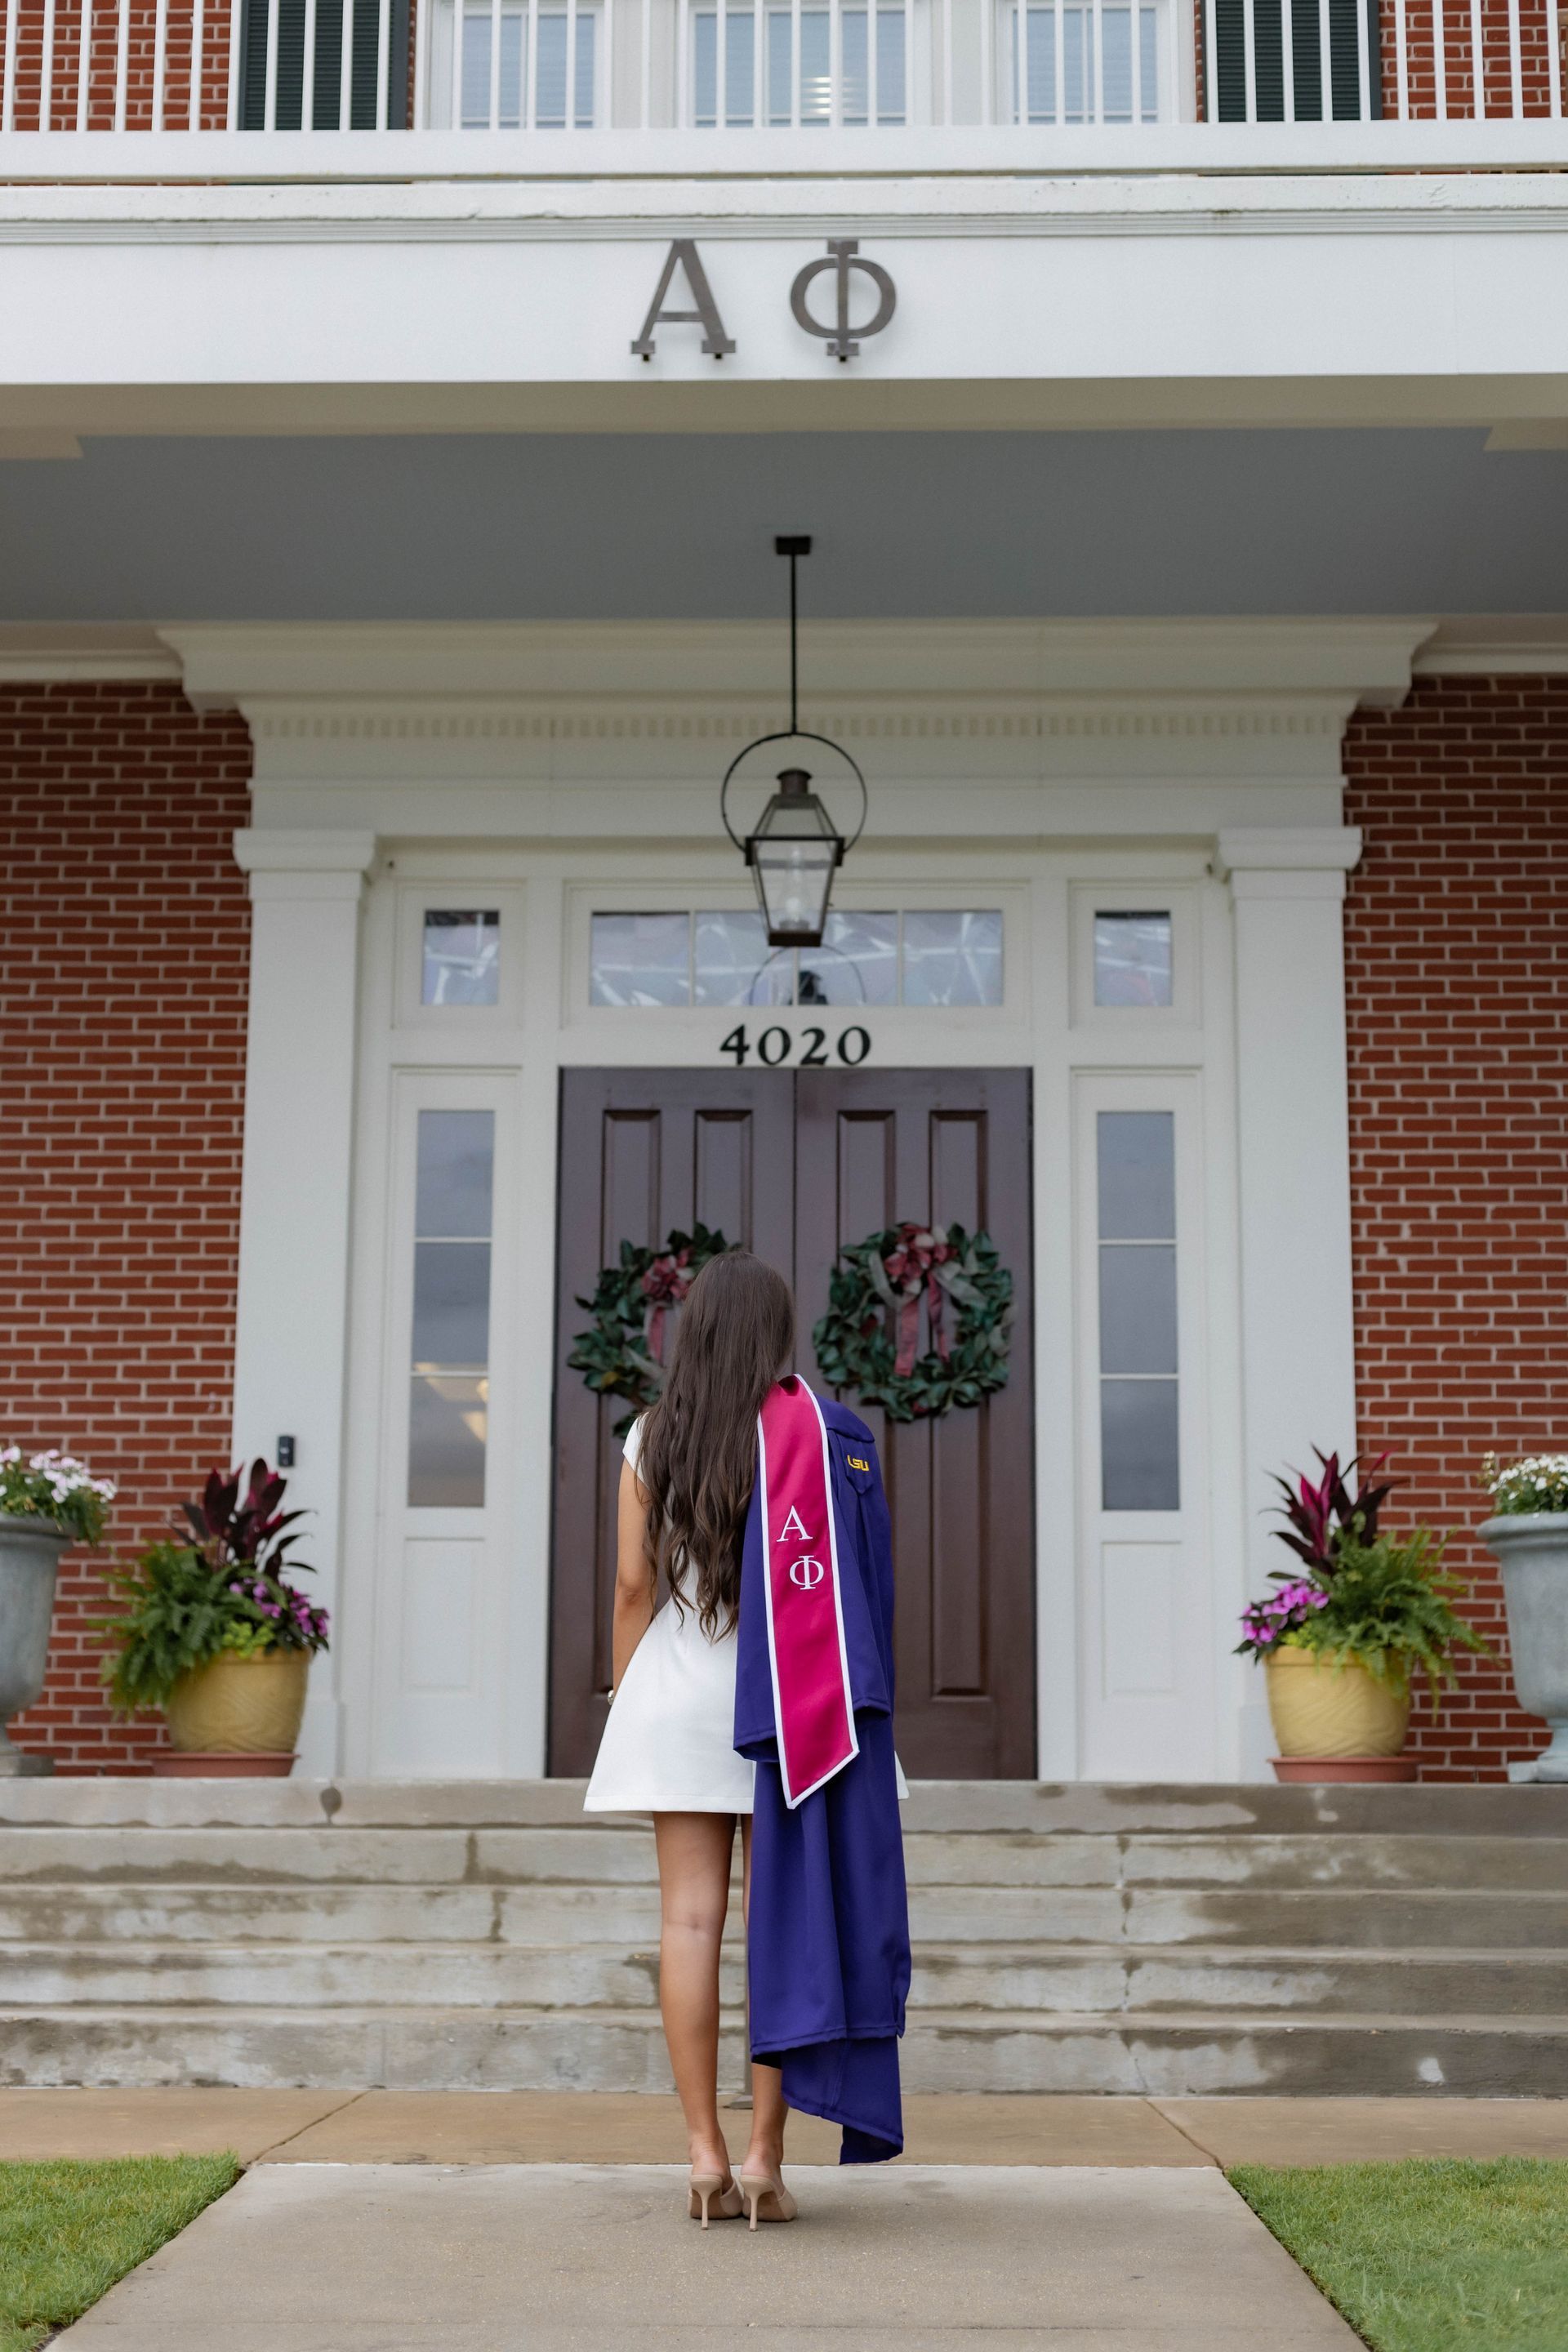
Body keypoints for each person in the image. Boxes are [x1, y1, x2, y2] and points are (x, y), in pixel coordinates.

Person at [584, 1248, 909, 2229]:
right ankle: (767, 2156)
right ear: (776, 1332)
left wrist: (625, 1695)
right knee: (786, 1923)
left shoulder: (654, 1434)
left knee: (689, 1923)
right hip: (795, 1707)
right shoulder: (821, 1434)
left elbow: (635, 1588)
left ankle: (702, 2154)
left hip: (681, 1701)